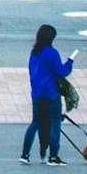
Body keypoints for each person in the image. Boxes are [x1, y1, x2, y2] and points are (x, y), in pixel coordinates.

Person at [22, 26, 74, 165]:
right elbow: (60, 72)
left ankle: (25, 154)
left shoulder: (35, 52)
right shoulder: (52, 53)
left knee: (35, 123)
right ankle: (53, 156)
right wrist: (70, 62)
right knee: (55, 124)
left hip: (37, 93)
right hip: (51, 94)